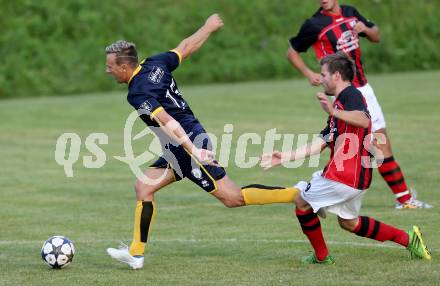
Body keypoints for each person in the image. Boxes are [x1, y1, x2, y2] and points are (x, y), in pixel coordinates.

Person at [104, 14, 300, 269]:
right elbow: (186, 47)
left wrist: (194, 149)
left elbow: (168, 122)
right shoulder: (154, 64)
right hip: (182, 145)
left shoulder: (138, 91)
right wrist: (207, 28)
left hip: (188, 143)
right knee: (144, 187)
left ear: (123, 67)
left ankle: (297, 194)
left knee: (232, 198)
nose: (107, 70)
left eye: (110, 66)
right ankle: (136, 254)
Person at [261, 53, 431, 264]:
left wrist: (334, 111)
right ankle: (409, 239)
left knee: (301, 201)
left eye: (323, 74)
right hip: (355, 178)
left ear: (337, 76)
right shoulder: (340, 104)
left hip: (344, 176)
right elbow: (319, 144)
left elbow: (363, 119)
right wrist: (284, 156)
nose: (320, 79)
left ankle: (322, 257)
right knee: (349, 223)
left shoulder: (352, 95)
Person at [287, 0, 431, 209]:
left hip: (365, 89)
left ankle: (403, 199)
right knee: (373, 146)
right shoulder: (315, 24)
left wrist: (366, 29)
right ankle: (401, 199)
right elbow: (291, 52)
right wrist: (309, 73)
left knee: (380, 144)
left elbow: (376, 36)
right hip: (347, 93)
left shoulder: (349, 12)